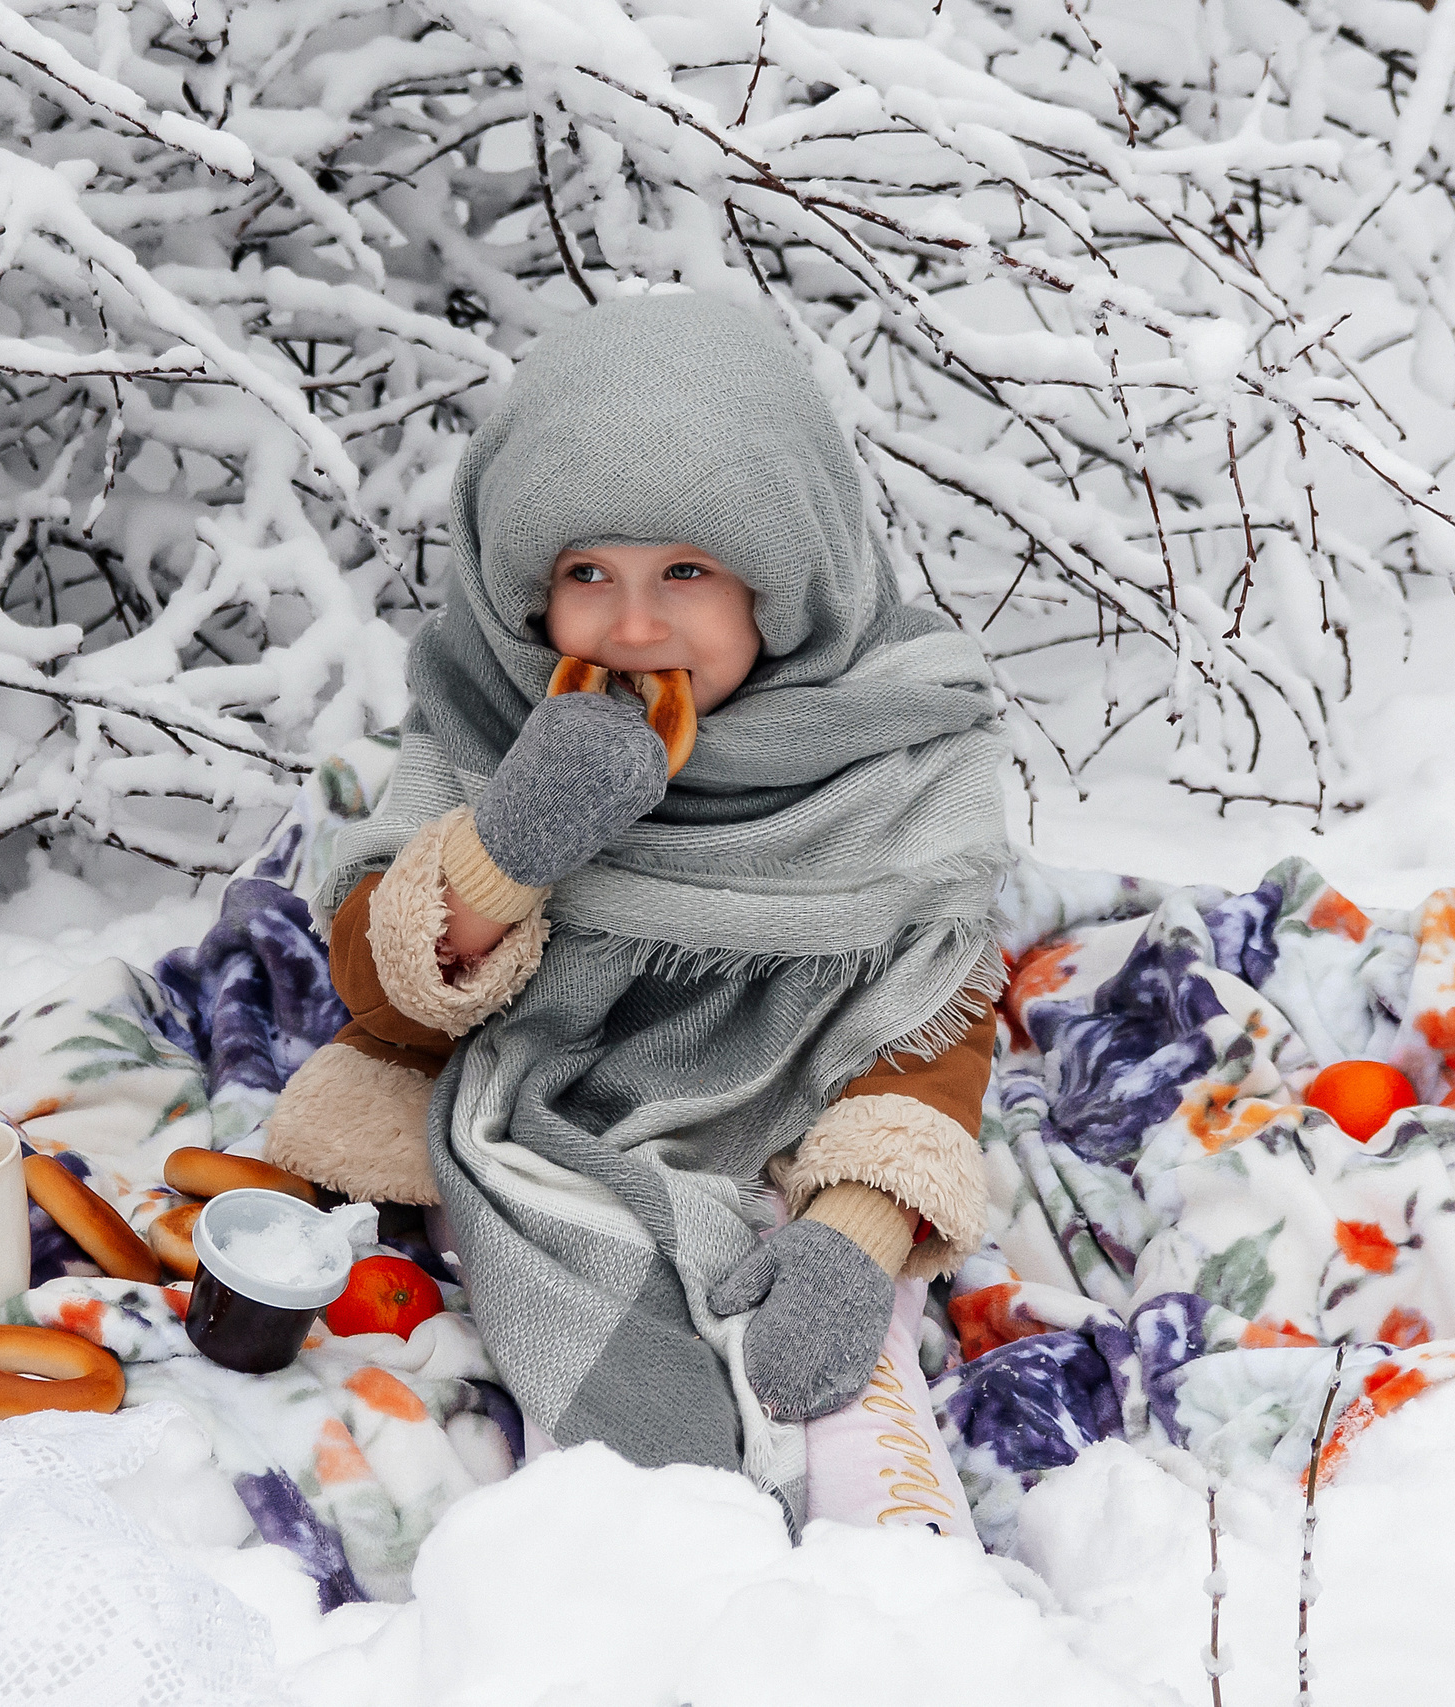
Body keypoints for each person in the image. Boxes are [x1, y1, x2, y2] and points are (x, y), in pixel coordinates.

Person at [264, 291, 1008, 1513]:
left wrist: (860, 1232)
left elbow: (930, 1018)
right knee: (605, 1374)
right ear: (523, 588)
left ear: (786, 577)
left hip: (798, 1141)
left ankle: (894, 1584)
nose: (633, 623)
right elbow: (377, 986)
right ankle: (642, 1551)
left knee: (836, 1378)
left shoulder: (893, 745)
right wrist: (507, 848)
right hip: (548, 1119)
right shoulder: (490, 718)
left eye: (687, 572)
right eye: (586, 573)